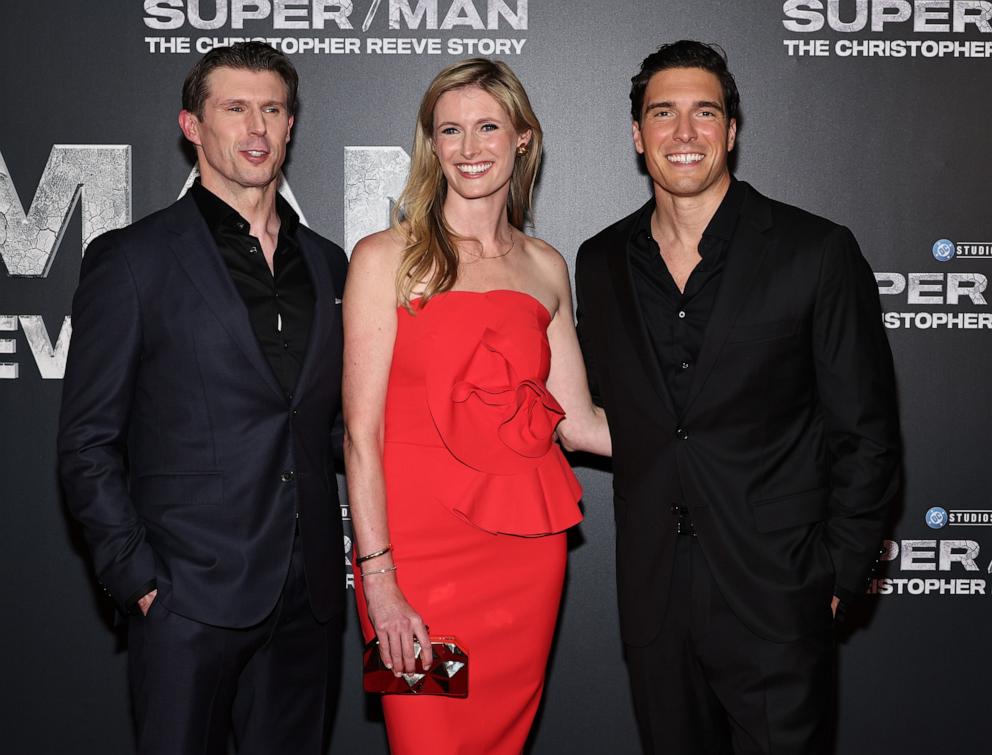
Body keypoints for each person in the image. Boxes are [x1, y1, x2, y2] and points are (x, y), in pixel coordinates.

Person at [573, 41, 901, 754]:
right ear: (637, 134)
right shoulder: (600, 262)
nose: (683, 134)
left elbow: (866, 432)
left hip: (777, 595)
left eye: (704, 113)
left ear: (732, 130)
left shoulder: (815, 251)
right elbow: (605, 411)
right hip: (655, 595)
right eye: (663, 114)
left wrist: (838, 572)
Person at [57, 42, 347, 755]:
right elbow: (87, 441)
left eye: (273, 109)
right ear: (193, 125)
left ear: (291, 124)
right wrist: (141, 582)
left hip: (307, 597)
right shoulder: (133, 258)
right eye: (236, 108)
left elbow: (335, 424)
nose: (257, 128)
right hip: (188, 598)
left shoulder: (329, 261)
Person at [343, 57, 609, 754]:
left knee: (499, 742)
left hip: (524, 555)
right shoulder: (386, 258)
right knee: (426, 738)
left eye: (488, 127)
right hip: (415, 563)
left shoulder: (546, 266)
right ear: (431, 144)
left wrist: (717, 429)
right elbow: (360, 436)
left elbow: (579, 424)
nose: (469, 148)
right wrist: (380, 585)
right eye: (450, 130)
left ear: (523, 137)